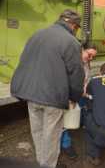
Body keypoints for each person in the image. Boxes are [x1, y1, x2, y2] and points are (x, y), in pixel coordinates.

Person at [10, 10, 85, 168]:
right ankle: (47, 165)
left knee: (37, 133)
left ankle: (40, 163)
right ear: (73, 25)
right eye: (76, 28)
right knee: (50, 137)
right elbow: (76, 74)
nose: (75, 31)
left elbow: (25, 60)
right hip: (53, 97)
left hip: (31, 94)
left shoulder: (37, 34)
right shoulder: (71, 42)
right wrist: (74, 97)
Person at [60, 47, 97, 159]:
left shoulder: (86, 64)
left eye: (93, 57)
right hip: (67, 95)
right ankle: (66, 144)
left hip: (78, 93)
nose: (90, 58)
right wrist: (71, 98)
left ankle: (79, 125)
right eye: (89, 54)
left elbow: (86, 80)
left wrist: (85, 89)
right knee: (63, 120)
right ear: (82, 49)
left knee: (81, 109)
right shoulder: (70, 62)